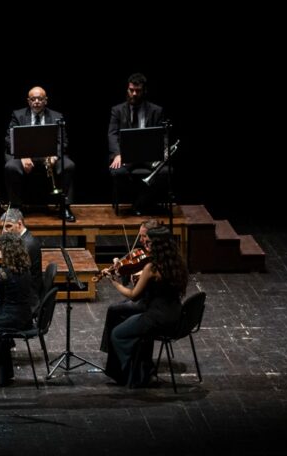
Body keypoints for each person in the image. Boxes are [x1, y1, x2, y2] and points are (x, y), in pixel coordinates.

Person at [103, 225, 188, 388]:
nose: (145, 246)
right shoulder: (177, 262)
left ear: (158, 245)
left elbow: (133, 295)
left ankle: (135, 373)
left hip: (156, 318)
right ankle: (142, 367)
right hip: (176, 315)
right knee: (125, 321)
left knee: (117, 334)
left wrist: (113, 282)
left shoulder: (151, 268)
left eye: (148, 243)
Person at [4, 86, 76, 222]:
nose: (36, 101)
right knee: (11, 167)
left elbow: (63, 141)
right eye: (33, 99)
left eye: (40, 99)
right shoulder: (18, 115)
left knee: (68, 166)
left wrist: (54, 155)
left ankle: (64, 206)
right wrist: (22, 155)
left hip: (49, 155)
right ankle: (15, 207)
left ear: (45, 100)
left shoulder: (57, 116)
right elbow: (10, 139)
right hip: (24, 156)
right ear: (28, 101)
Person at [0, 233, 38, 387]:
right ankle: (2, 375)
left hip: (9, 318)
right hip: (25, 316)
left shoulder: (1, 272)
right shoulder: (25, 268)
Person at [99, 219, 161, 354]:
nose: (141, 240)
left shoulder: (154, 264)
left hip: (151, 306)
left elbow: (134, 295)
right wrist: (121, 267)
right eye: (140, 236)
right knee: (117, 308)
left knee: (114, 310)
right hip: (157, 303)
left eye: (144, 236)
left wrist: (113, 281)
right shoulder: (165, 257)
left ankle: (114, 353)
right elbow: (135, 273)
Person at [108, 73, 166, 216]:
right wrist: (117, 154)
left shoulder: (156, 110)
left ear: (144, 90)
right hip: (126, 155)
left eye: (138, 90)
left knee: (165, 172)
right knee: (117, 172)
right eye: (131, 90)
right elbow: (112, 134)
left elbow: (163, 135)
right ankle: (141, 203)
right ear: (127, 89)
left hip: (150, 155)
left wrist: (162, 151)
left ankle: (139, 204)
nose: (134, 94)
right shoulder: (117, 110)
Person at [0, 208, 43, 296]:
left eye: (8, 226)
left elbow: (12, 270)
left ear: (19, 224)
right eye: (3, 227)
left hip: (27, 293)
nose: (4, 231)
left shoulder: (26, 245)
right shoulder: (22, 239)